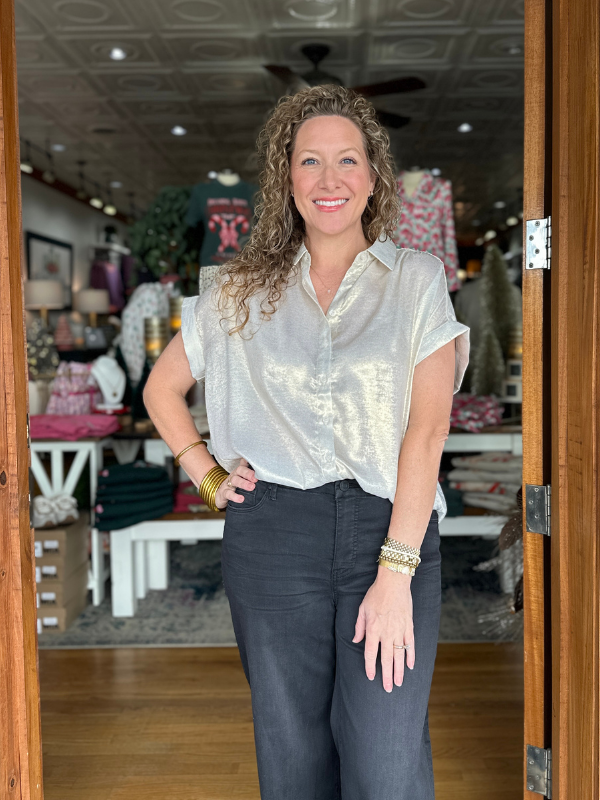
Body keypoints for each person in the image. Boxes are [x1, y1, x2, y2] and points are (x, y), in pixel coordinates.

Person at [143, 84, 470, 800]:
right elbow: (161, 389)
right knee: (292, 757)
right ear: (286, 179)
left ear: (373, 177)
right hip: (273, 534)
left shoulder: (416, 279)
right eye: (310, 160)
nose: (330, 179)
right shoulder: (238, 289)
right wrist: (205, 473)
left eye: (348, 159)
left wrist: (395, 572)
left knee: (386, 763)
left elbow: (428, 430)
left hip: (390, 530)